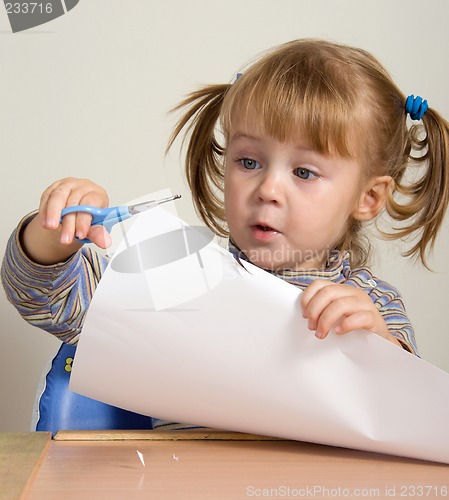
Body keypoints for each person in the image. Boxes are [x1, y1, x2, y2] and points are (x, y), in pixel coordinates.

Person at [3, 39, 449, 361]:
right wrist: (55, 236)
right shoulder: (181, 281)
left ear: (368, 198)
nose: (268, 190)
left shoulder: (371, 304)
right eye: (249, 162)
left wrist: (376, 344)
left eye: (304, 172)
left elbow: (404, 413)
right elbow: (50, 304)